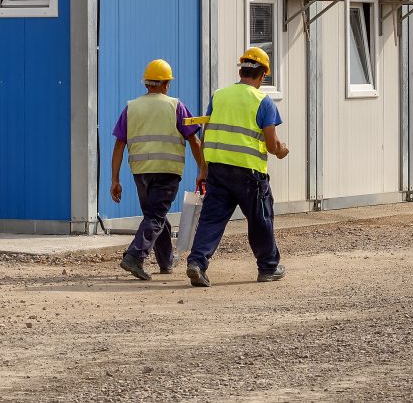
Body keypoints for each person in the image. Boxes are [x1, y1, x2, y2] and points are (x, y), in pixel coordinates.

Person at [185, 46, 289, 286]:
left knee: (211, 219)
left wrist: (203, 169)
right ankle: (268, 267)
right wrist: (282, 151)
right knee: (260, 218)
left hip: (218, 170)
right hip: (249, 173)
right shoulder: (263, 101)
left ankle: (197, 263)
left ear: (242, 70)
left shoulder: (219, 95)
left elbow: (207, 133)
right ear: (263, 75)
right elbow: (272, 145)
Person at [109, 58, 206, 281]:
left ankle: (166, 261)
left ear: (146, 84)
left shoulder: (131, 108)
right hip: (168, 170)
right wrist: (203, 168)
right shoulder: (176, 106)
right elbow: (194, 141)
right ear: (165, 84)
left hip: (140, 172)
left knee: (154, 214)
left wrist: (115, 179)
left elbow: (119, 145)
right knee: (155, 215)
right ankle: (135, 255)